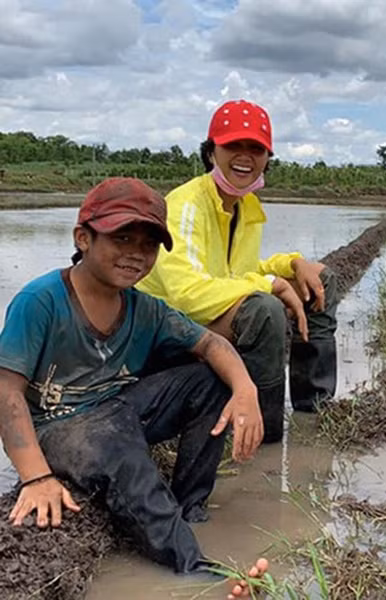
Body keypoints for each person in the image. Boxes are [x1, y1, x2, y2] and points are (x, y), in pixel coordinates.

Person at [0, 177, 268, 585]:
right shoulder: (41, 301)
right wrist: (37, 477)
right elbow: (6, 393)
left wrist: (245, 389)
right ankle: (196, 573)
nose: (135, 255)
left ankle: (190, 506)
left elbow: (212, 343)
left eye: (148, 245)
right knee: (118, 450)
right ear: (83, 238)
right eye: (121, 238)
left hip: (119, 409)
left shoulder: (147, 309)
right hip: (59, 426)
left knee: (209, 380)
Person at [138, 99, 339, 444]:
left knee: (320, 280)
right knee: (265, 310)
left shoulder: (246, 205)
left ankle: (313, 407)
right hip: (166, 328)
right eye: (233, 145)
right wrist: (269, 284)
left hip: (206, 313)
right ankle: (262, 434)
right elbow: (186, 294)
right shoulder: (186, 205)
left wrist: (290, 264)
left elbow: (238, 272)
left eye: (256, 148)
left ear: (267, 158)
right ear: (211, 151)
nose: (245, 156)